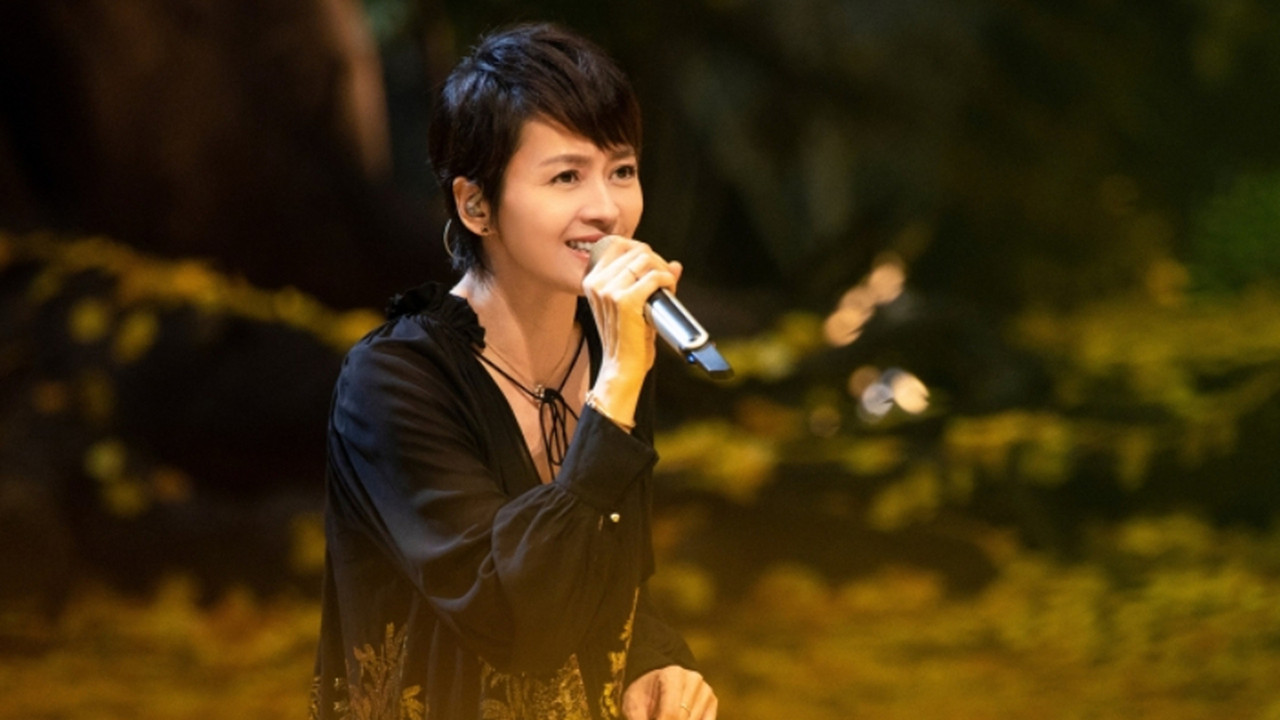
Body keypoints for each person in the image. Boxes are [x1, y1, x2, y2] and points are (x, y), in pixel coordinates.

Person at [310, 22, 718, 720]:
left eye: (621, 170)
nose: (607, 209)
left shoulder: (613, 345)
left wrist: (657, 660)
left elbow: (614, 575)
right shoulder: (391, 382)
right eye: (566, 176)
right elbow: (513, 620)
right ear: (475, 205)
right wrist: (617, 388)